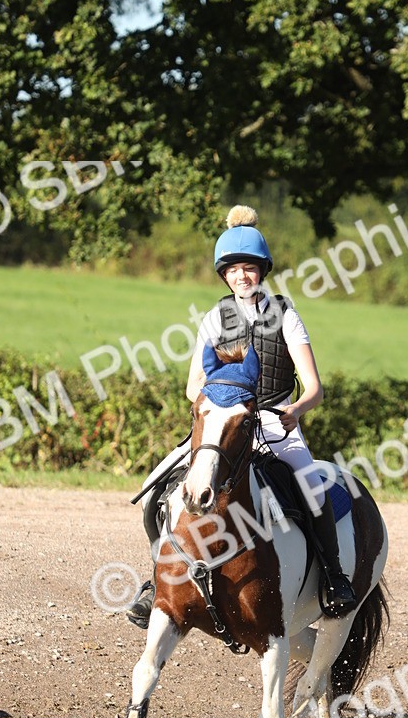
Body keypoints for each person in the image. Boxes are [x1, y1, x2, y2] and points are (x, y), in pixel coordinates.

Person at [126, 204, 357, 627]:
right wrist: (218, 406)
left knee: (312, 489)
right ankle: (157, 580)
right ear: (224, 275)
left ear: (262, 271)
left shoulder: (285, 314)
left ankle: (333, 576)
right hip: (222, 424)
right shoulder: (214, 318)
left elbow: (314, 388)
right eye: (233, 270)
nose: (241, 277)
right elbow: (192, 385)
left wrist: (296, 410)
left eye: (249, 268)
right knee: (155, 489)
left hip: (274, 422)